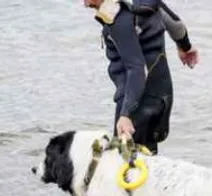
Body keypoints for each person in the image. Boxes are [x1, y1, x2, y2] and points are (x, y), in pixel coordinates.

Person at [84, 0, 199, 154]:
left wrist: (126, 115)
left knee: (126, 168)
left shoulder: (116, 18)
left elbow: (137, 69)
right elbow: (175, 25)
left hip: (136, 103)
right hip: (161, 96)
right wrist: (185, 46)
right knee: (147, 162)